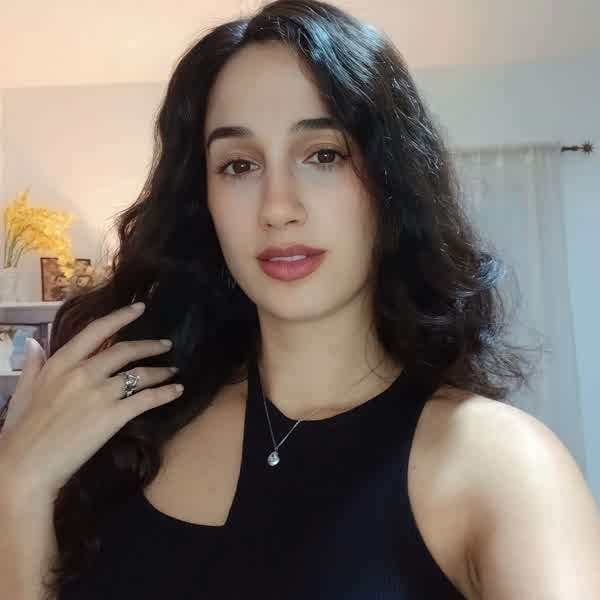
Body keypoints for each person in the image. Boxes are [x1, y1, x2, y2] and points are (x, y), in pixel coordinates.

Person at [1, 1, 599, 599]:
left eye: (324, 155)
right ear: (203, 199)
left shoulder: (501, 466)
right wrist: (18, 484)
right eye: (239, 165)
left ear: (391, 181)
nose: (278, 207)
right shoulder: (128, 432)